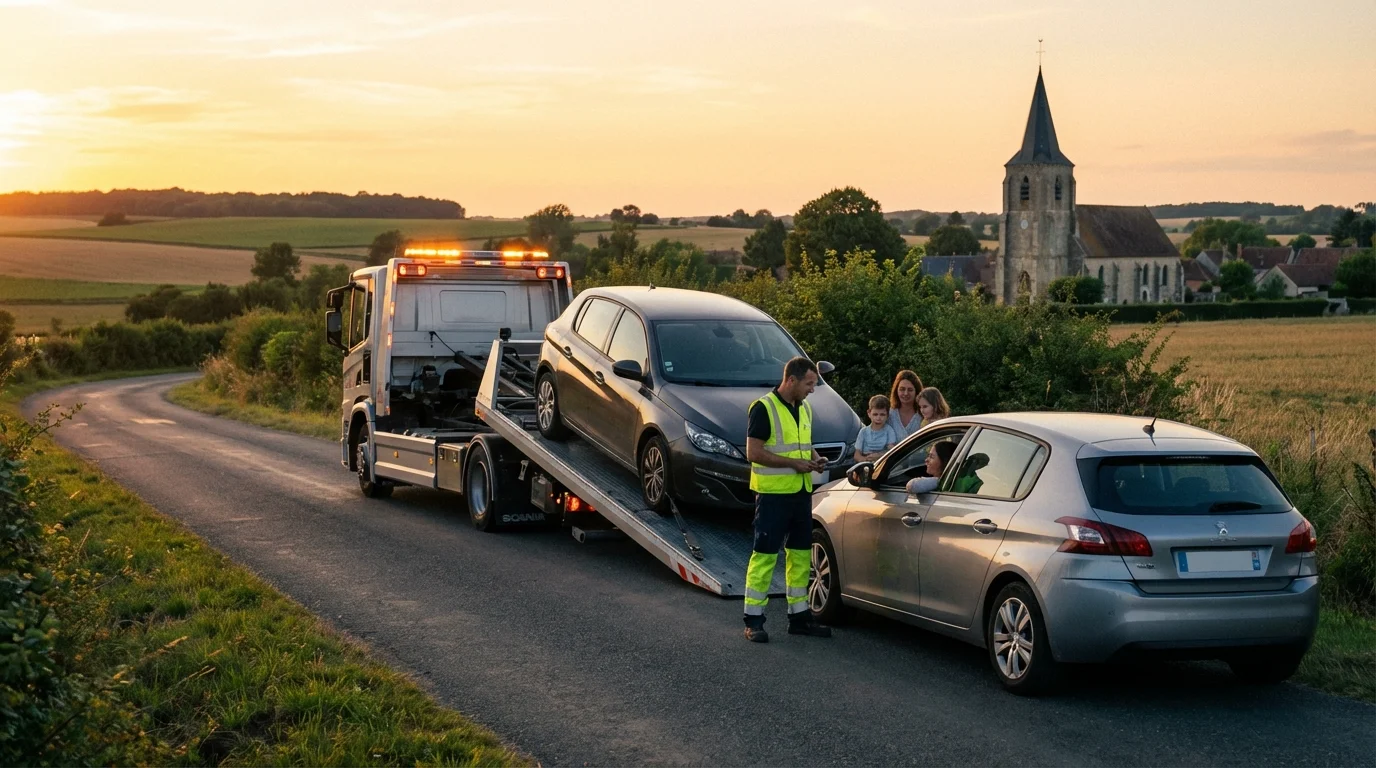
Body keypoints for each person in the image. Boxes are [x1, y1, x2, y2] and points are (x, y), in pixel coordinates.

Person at [742, 356, 832, 643]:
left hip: (800, 494)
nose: (812, 389)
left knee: (801, 556)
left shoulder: (802, 408)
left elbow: (804, 445)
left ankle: (799, 616)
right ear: (791, 380)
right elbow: (753, 453)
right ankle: (753, 621)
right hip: (772, 496)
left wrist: (816, 458)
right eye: (809, 383)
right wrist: (792, 464)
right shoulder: (763, 408)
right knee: (765, 556)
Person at [854, 394, 900, 463]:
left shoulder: (889, 430)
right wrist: (866, 460)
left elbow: (892, 450)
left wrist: (880, 456)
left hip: (882, 462)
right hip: (865, 461)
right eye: (875, 414)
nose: (878, 418)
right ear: (869, 413)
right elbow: (856, 455)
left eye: (882, 414)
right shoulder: (863, 432)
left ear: (887, 415)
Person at [888, 370, 924, 439]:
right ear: (896, 390)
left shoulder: (923, 414)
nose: (905, 393)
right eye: (902, 389)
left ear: (916, 391)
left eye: (910, 390)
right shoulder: (889, 415)